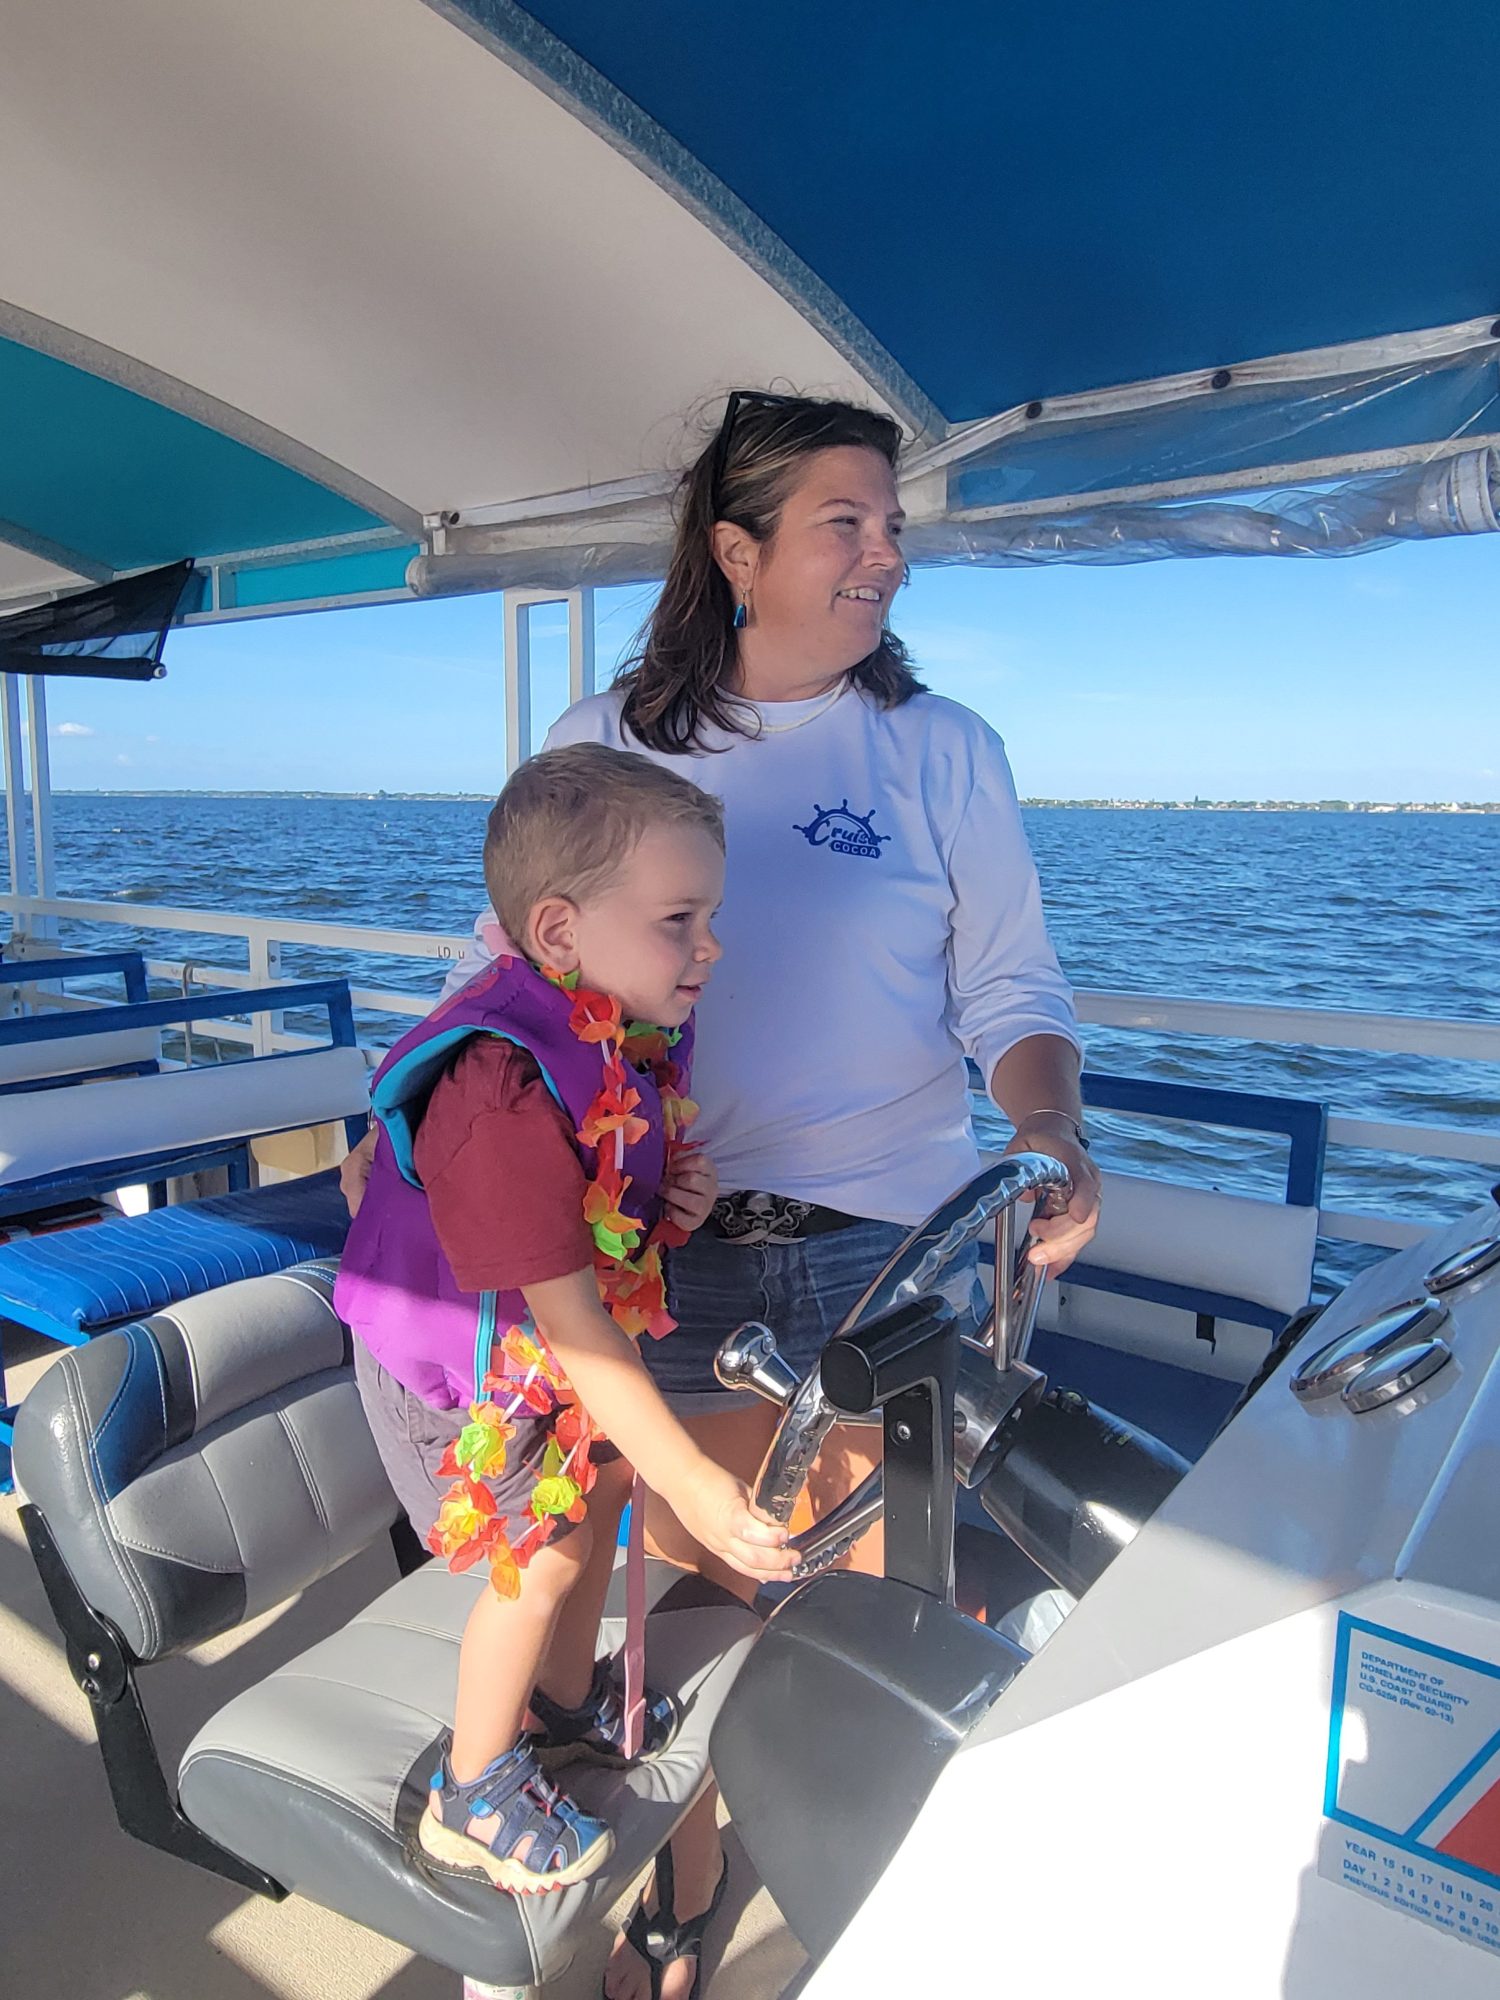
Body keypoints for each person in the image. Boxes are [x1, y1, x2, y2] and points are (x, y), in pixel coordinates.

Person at [346, 393, 1102, 1998]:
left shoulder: (939, 748)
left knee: (823, 1605)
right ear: (736, 549)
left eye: (895, 525)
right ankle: (654, 1889)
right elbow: (511, 987)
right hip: (650, 1258)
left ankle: (780, 1903)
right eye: (850, 521)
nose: (889, 553)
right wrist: (394, 1145)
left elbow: (1013, 993)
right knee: (615, 1603)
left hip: (874, 1252)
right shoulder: (595, 743)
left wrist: (1052, 1131)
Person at [334, 743, 793, 1897]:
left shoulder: (612, 1024)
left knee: (593, 1498)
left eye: (710, 915)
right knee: (535, 1553)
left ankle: (559, 1697)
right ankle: (471, 1788)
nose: (711, 946)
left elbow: (608, 1177)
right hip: (457, 1367)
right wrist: (691, 1474)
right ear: (557, 934)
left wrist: (669, 1193)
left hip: (541, 1344)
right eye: (681, 918)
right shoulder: (497, 1080)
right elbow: (571, 1314)